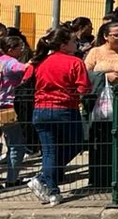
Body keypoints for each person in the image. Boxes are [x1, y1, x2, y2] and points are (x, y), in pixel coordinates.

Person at [26, 27, 91, 206]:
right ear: (63, 45)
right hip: (65, 108)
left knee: (49, 150)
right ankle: (44, 178)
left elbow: (26, 78)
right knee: (76, 143)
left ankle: (52, 190)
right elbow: (84, 87)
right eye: (72, 41)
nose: (76, 44)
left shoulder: (39, 61)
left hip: (40, 109)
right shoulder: (75, 62)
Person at [0, 35, 30, 188]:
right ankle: (12, 179)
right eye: (20, 47)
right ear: (11, 49)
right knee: (16, 143)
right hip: (5, 108)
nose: (22, 50)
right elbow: (23, 69)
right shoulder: (11, 62)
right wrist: (32, 64)